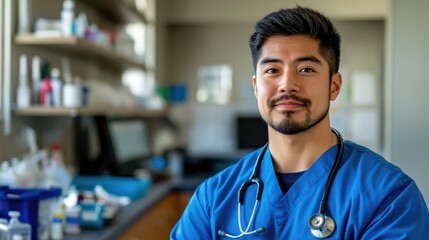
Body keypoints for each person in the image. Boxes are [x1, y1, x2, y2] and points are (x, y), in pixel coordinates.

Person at [170, 6, 429, 239]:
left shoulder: (389, 197)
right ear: (256, 87)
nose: (287, 85)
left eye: (306, 69)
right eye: (272, 70)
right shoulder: (212, 198)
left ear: (334, 86)